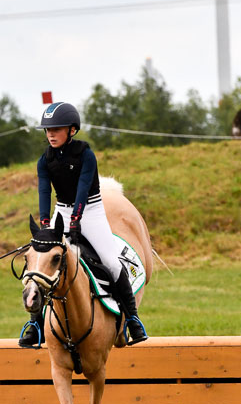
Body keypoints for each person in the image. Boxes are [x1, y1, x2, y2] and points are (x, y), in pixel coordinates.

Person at [19, 101, 147, 347]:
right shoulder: (43, 161)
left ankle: (132, 319)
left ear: (72, 130)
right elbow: (44, 192)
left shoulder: (85, 154)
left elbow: (83, 188)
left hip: (91, 210)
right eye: (48, 130)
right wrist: (45, 221)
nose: (50, 134)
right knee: (41, 263)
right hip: (62, 211)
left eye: (56, 129)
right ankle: (35, 324)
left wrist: (77, 219)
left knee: (110, 261)